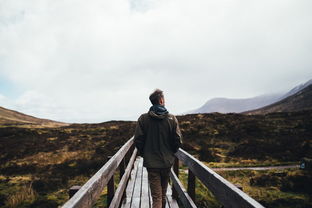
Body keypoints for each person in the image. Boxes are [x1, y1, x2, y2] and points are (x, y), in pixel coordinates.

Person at [134, 89, 182, 208]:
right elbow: (178, 140)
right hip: (167, 162)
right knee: (163, 193)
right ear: (161, 100)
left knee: (157, 196)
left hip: (152, 163)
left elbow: (138, 140)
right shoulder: (172, 119)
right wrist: (171, 153)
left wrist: (145, 153)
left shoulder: (143, 119)